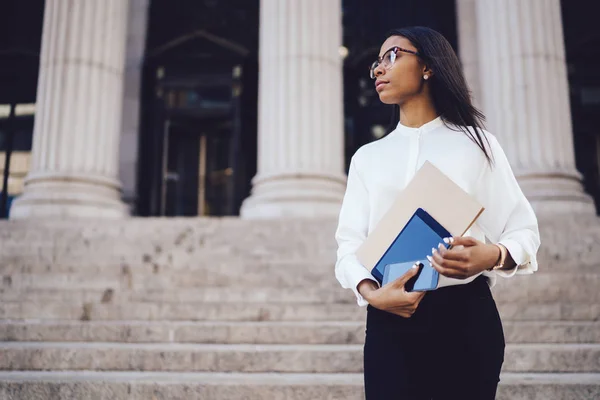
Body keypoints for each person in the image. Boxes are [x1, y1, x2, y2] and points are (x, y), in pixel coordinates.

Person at [334, 26, 540, 400]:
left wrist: (491, 255)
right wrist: (370, 293)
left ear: (428, 66)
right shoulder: (367, 158)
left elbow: (523, 230)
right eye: (376, 63)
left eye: (392, 55)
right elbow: (349, 245)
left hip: (465, 316)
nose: (379, 69)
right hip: (388, 319)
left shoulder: (476, 144)